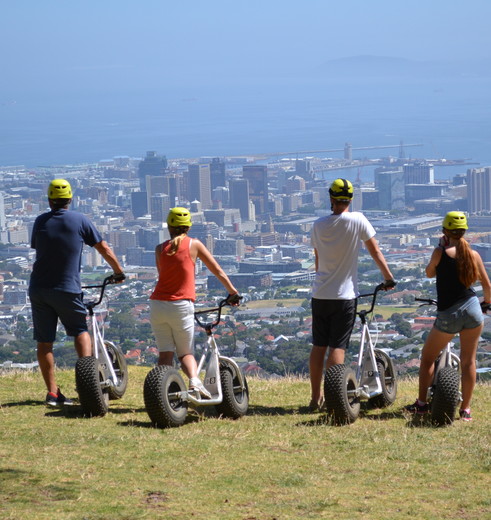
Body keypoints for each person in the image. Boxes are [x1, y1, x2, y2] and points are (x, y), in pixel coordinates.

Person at [30, 179, 125, 407]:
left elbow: (40, 248)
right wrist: (118, 271)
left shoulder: (40, 221)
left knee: (45, 343)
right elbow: (102, 247)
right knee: (81, 332)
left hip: (39, 289)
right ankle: (88, 386)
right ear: (70, 199)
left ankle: (53, 394)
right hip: (66, 288)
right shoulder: (80, 220)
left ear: (49, 199)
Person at [309, 178, 395, 411]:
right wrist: (388, 277)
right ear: (350, 199)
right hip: (344, 296)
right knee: (338, 346)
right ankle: (334, 397)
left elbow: (318, 260)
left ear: (331, 198)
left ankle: (315, 397)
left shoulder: (318, 225)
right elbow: (375, 250)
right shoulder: (358, 220)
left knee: (319, 346)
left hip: (320, 294)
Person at [405, 211, 491, 421]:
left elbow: (429, 273)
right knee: (469, 362)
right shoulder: (474, 254)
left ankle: (422, 404)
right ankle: (466, 410)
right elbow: (487, 286)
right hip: (472, 309)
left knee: (427, 358)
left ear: (445, 231)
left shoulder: (440, 252)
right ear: (464, 231)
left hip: (449, 313)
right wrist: (486, 304)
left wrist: (441, 248)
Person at [150, 207, 241, 398]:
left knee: (165, 354)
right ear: (188, 227)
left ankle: (161, 395)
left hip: (157, 305)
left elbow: (162, 276)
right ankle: (194, 382)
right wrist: (233, 292)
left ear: (169, 226)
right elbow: (217, 271)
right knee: (185, 354)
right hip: (181, 305)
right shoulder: (195, 244)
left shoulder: (159, 249)